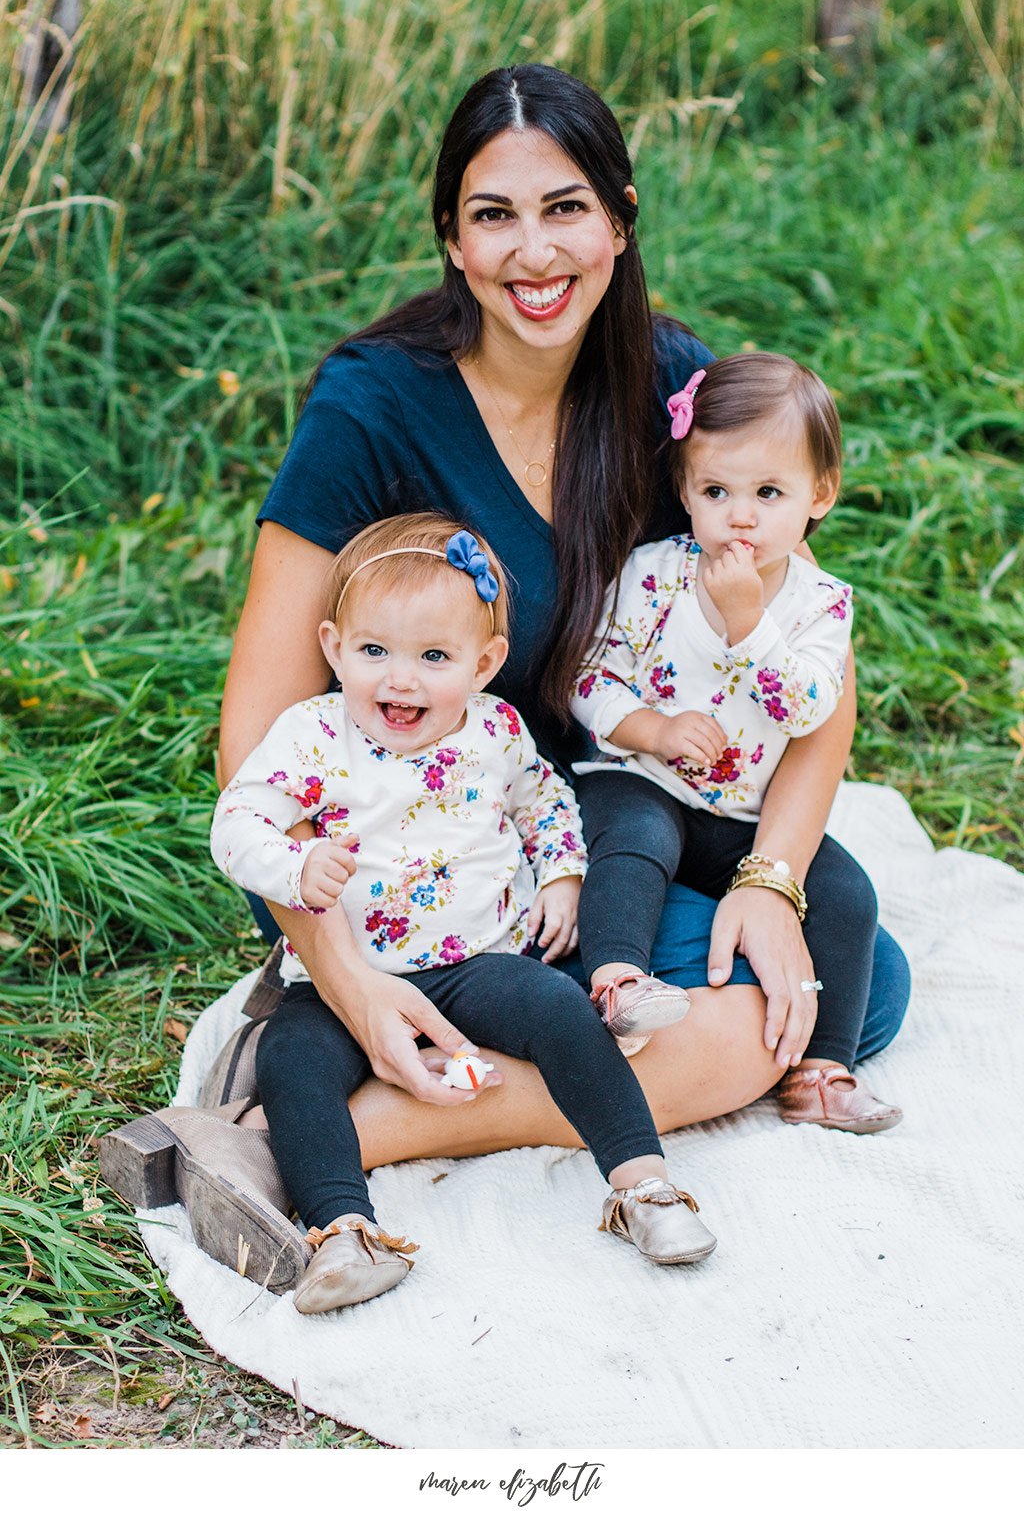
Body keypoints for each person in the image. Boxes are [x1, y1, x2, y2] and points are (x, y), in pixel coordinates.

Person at [118, 65, 909, 1287]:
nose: (533, 252)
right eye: (493, 213)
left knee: (844, 977)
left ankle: (323, 1117)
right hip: (398, 844)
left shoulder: (671, 389)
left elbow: (811, 640)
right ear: (449, 234)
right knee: (754, 1026)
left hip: (592, 826)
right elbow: (258, 730)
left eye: (566, 207)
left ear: (621, 219)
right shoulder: (374, 407)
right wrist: (347, 972)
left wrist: (771, 873)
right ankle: (312, 1085)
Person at [209, 513, 717, 1311]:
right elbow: (236, 822)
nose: (400, 680)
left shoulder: (496, 732)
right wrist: (296, 863)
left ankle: (642, 1186)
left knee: (561, 1011)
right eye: (374, 652)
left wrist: (563, 875)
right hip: (348, 984)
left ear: (484, 665)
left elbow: (546, 800)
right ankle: (343, 1232)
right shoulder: (310, 737)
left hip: (478, 963)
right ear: (335, 645)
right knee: (293, 1063)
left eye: (434, 657)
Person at [569, 352, 902, 1131]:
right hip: (642, 777)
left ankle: (821, 1068)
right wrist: (652, 728)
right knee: (635, 840)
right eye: (715, 492)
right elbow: (587, 678)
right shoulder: (651, 576)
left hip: (744, 817)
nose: (739, 516)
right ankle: (619, 982)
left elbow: (809, 709)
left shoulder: (821, 606)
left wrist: (751, 626)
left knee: (847, 892)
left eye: (768, 494)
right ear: (684, 489)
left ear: (819, 496)